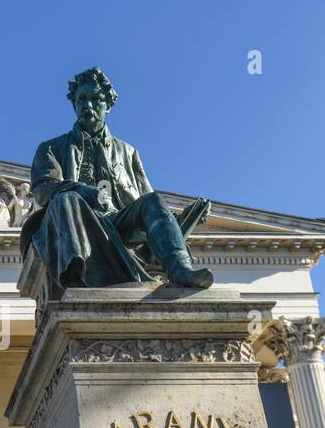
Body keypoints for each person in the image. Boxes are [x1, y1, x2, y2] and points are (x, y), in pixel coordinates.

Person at [22, 66, 213, 290]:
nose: (88, 105)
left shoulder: (127, 151)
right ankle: (76, 281)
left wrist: (183, 218)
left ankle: (179, 268)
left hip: (119, 222)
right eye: (82, 99)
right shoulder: (51, 148)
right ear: (74, 104)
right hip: (76, 220)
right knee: (66, 199)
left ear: (108, 105)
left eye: (96, 99)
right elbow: (44, 189)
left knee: (154, 200)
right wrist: (82, 191)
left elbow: (147, 203)